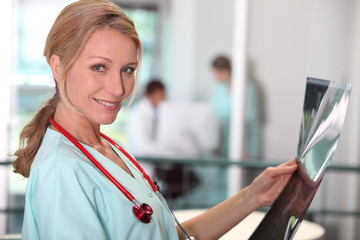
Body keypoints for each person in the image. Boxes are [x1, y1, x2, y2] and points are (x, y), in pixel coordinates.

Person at [12, 0, 297, 239]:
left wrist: (253, 196)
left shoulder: (109, 148)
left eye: (128, 69)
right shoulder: (62, 171)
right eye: (99, 67)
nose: (118, 88)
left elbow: (174, 235)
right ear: (58, 67)